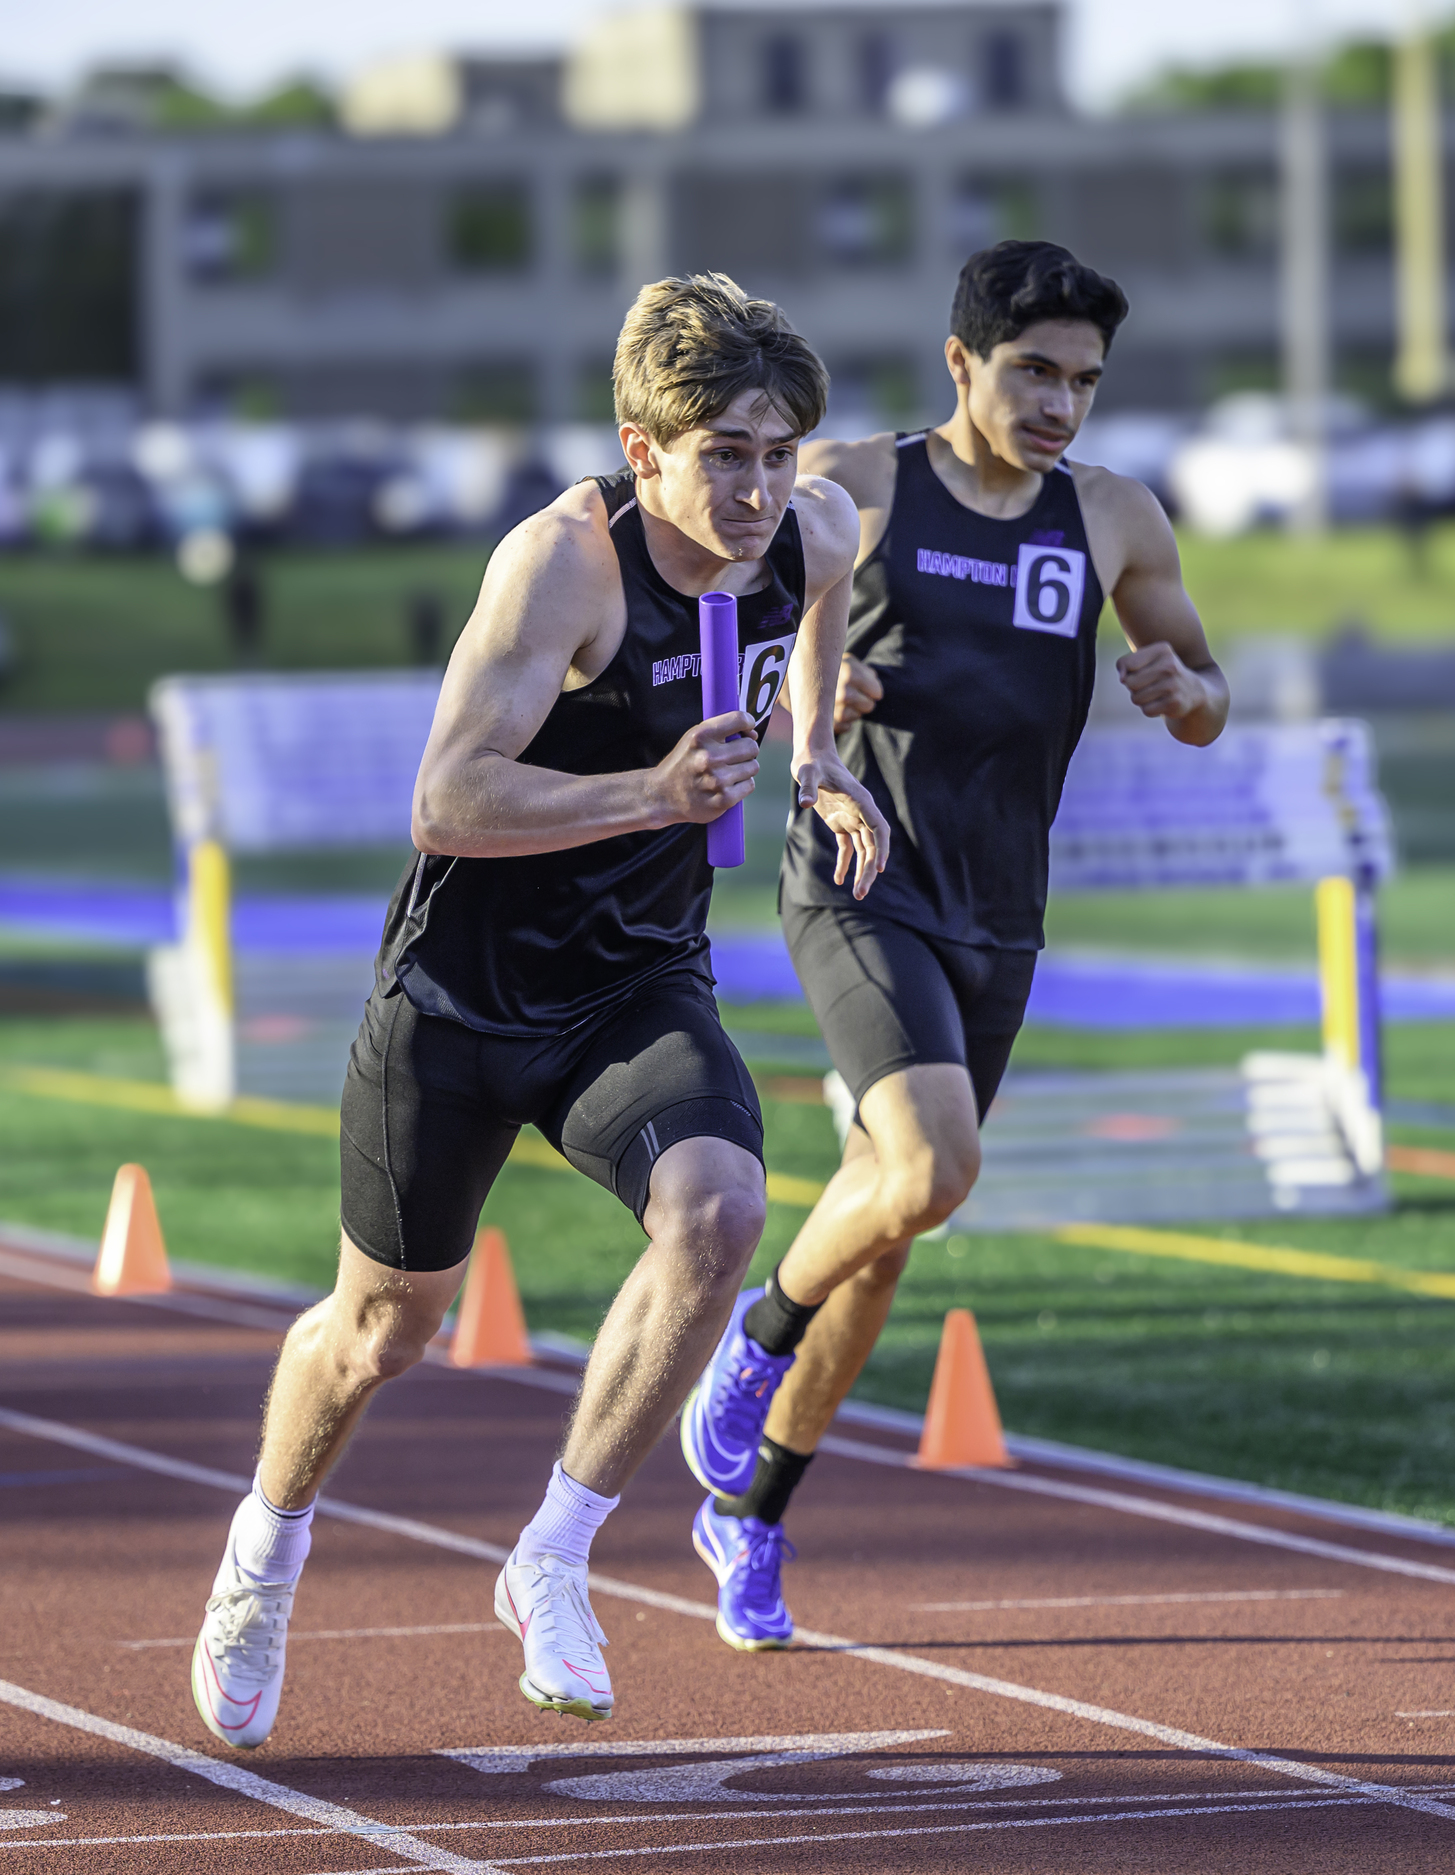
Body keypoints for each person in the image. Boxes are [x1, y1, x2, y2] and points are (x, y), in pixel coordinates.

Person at [190, 273, 888, 1747]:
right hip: (460, 997)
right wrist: (653, 789)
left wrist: (816, 749)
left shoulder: (813, 528)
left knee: (718, 1217)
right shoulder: (563, 566)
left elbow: (823, 599)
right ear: (645, 452)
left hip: (634, 982)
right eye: (726, 458)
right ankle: (264, 1550)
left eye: (778, 454)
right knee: (381, 1334)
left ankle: (556, 1555)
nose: (762, 491)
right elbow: (446, 801)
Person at [680, 240, 1229, 1651]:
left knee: (894, 1224)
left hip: (1002, 912)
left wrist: (1182, 686)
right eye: (1033, 372)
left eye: (1084, 381)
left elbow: (1205, 687)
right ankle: (750, 1345)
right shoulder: (859, 484)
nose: (1060, 403)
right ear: (961, 363)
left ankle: (751, 1518)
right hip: (863, 876)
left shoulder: (1112, 517)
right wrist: (817, 674)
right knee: (930, 1166)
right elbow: (725, 608)